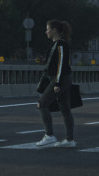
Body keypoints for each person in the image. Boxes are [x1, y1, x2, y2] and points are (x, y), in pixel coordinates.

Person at [35, 19, 75, 148]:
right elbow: (54, 62)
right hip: (62, 78)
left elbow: (61, 64)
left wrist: (57, 83)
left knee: (42, 104)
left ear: (54, 30)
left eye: (48, 29)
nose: (46, 32)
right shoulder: (56, 44)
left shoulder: (61, 44)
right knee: (65, 109)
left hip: (60, 79)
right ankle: (69, 140)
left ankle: (49, 136)